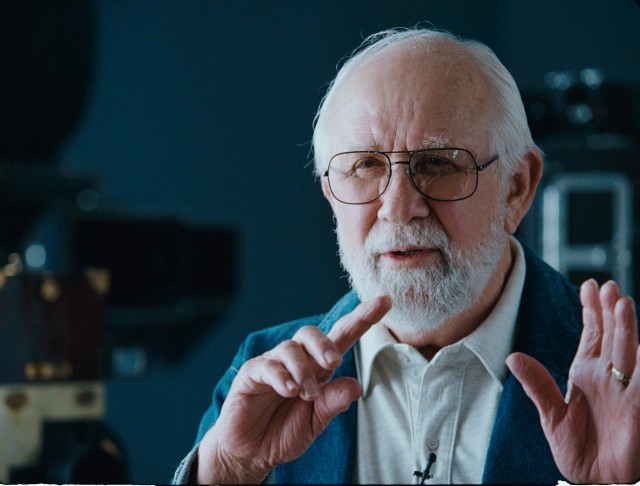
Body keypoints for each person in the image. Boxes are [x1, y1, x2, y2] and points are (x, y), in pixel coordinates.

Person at [173, 27, 639, 484]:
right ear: (331, 195)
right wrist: (228, 472)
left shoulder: (628, 379)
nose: (397, 208)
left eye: (438, 163)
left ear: (516, 188)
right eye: (365, 165)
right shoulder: (259, 378)